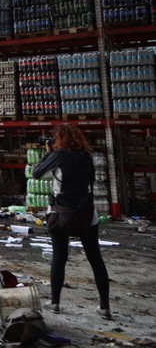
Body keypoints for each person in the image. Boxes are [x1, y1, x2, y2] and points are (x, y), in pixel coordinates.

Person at [33, 124, 111, 318]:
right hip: (86, 214)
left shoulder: (59, 155)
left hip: (61, 214)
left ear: (60, 139)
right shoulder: (86, 157)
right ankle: (105, 306)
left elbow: (37, 173)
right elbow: (90, 183)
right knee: (95, 258)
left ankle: (55, 302)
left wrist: (48, 154)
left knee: (59, 257)